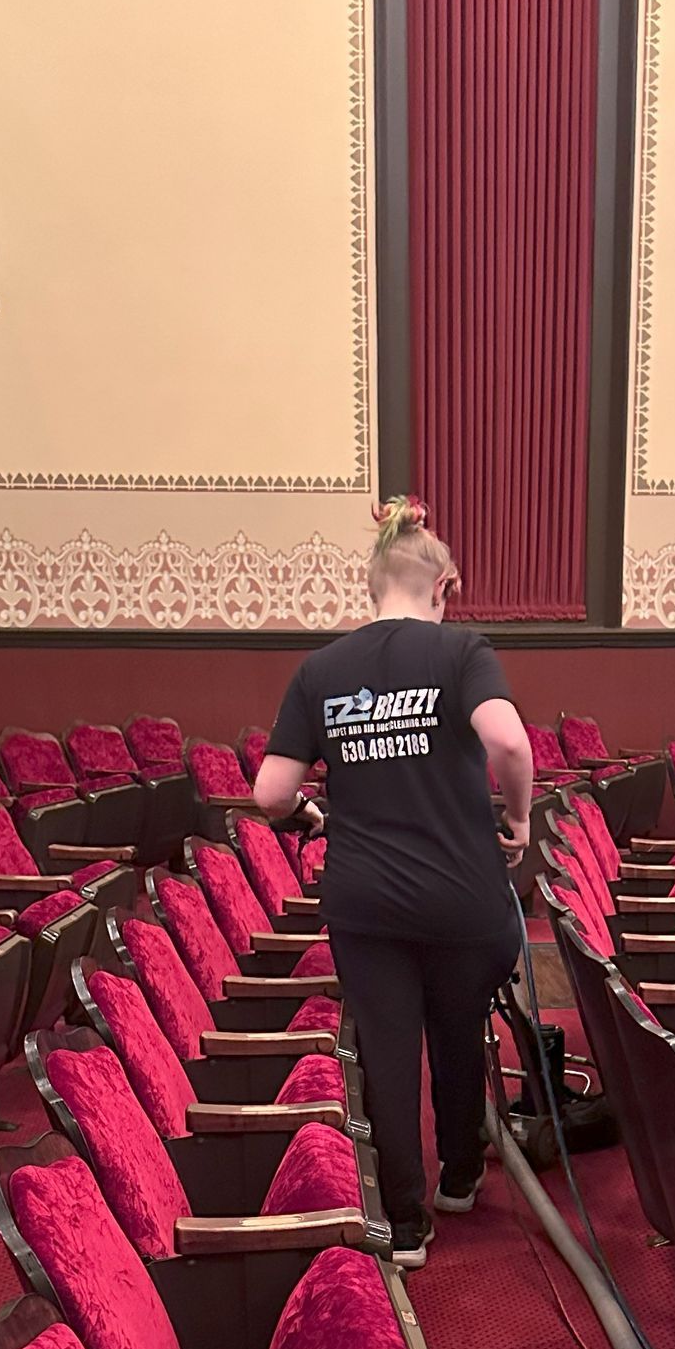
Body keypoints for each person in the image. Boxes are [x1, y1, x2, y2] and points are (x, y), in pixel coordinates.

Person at [254, 496, 533, 1269]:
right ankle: (462, 1178)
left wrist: (317, 817)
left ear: (370, 583)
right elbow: (508, 741)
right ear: (446, 586)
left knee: (386, 1050)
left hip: (367, 898)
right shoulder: (463, 652)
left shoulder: (321, 671)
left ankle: (405, 1227)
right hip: (461, 892)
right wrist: (521, 820)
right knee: (456, 1030)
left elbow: (270, 794)